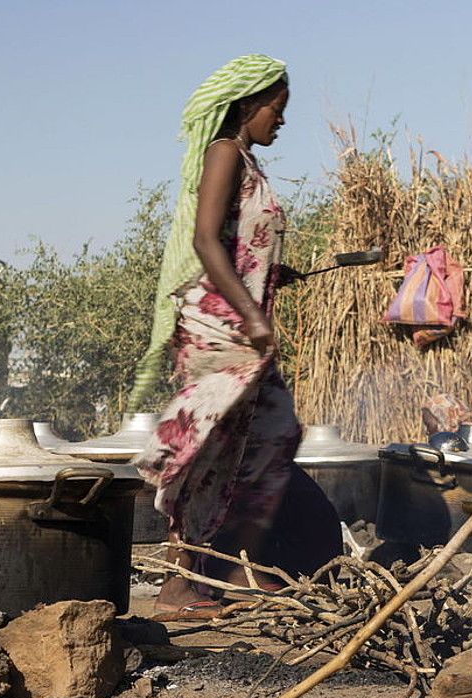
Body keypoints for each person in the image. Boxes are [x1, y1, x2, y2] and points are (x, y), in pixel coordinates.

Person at [130, 55, 337, 613]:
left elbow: (239, 243)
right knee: (209, 442)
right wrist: (250, 311)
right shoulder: (224, 153)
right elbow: (204, 242)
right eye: (278, 108)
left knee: (270, 436)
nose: (282, 121)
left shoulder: (249, 161)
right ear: (248, 104)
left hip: (241, 316)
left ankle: (232, 567)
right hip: (217, 322)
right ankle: (179, 579)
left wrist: (272, 275)